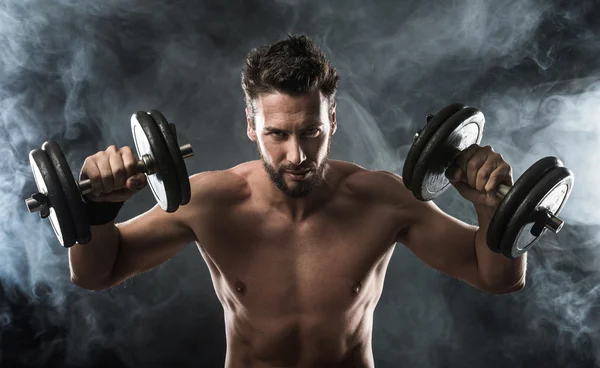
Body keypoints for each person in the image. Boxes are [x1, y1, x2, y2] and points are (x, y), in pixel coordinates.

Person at [70, 34, 525, 368]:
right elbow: (95, 271)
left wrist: (490, 208)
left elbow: (497, 277)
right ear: (252, 125)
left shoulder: (384, 200)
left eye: (311, 132)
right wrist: (100, 208)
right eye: (277, 134)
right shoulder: (209, 202)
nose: (297, 155)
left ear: (332, 121)